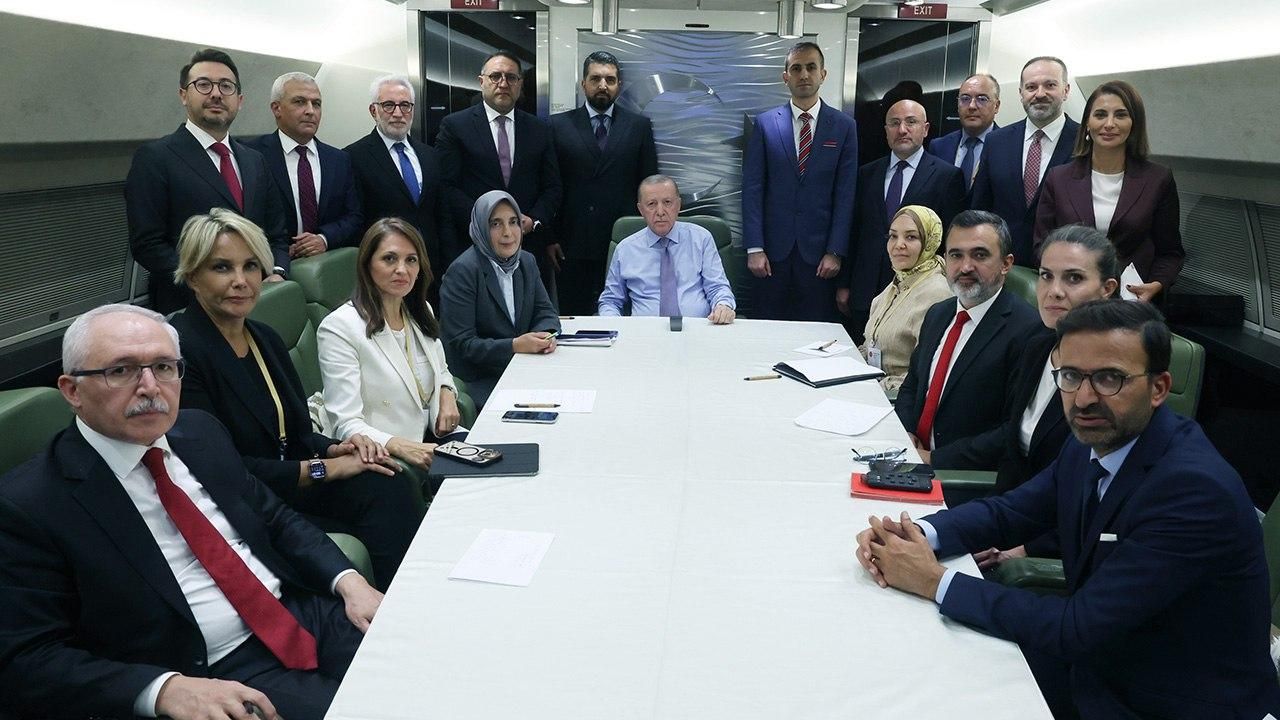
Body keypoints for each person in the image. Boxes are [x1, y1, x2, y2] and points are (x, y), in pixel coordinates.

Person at [856, 299, 1280, 719]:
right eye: (1071, 376)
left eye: (1110, 378)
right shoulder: (1094, 440)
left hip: (1161, 700)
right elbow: (1011, 512)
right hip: (1101, 663)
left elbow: (1077, 627)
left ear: (1159, 388)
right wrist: (913, 534)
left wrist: (932, 581)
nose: (1083, 399)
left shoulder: (1192, 491)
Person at [0, 304, 384, 720]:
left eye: (164, 367)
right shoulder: (28, 504)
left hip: (300, 612)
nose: (150, 387)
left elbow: (275, 517)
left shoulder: (200, 431)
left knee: (422, 662)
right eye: (122, 370)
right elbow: (28, 658)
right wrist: (163, 689)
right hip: (208, 669)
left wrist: (349, 582)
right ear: (72, 390)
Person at [168, 209, 422, 588]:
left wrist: (335, 448)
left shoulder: (265, 338)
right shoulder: (179, 353)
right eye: (222, 268)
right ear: (192, 276)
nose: (241, 281)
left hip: (293, 483)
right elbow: (224, 472)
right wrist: (325, 468)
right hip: (246, 502)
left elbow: (297, 434)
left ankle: (410, 593)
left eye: (250, 266)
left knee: (389, 480)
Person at [973, 224, 1120, 571]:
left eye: (1073, 279)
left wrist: (1024, 550)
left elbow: (1102, 500)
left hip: (1056, 553)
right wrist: (982, 529)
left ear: (1107, 290)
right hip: (1008, 524)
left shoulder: (1111, 378)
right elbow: (1013, 459)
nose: (1054, 291)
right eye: (1046, 276)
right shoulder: (1036, 347)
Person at [126, 48, 289, 313]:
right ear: (183, 95)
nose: (216, 94)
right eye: (203, 85)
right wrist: (207, 280)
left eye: (226, 86)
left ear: (239, 100)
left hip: (256, 300)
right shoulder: (155, 158)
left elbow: (277, 232)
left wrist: (277, 272)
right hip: (189, 306)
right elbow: (148, 244)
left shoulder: (255, 160)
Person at [895, 210, 1046, 470]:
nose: (965, 267)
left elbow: (1012, 430)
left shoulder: (1029, 331)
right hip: (910, 457)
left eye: (980, 255)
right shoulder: (938, 313)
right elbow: (913, 385)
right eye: (956, 255)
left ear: (1006, 264)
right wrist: (906, 432)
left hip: (962, 477)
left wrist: (934, 459)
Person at [317, 218, 463, 472]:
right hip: (382, 452)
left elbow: (441, 370)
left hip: (431, 435)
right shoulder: (339, 327)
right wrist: (402, 446)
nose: (402, 270)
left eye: (411, 260)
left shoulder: (420, 311)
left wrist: (447, 392)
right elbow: (346, 423)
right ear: (367, 265)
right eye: (389, 259)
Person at [1034, 80, 1184, 302]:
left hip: (1130, 301)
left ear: (1134, 123)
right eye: (1100, 115)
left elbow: (1170, 252)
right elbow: (1041, 245)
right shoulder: (1059, 178)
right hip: (1070, 297)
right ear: (1087, 123)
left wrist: (1157, 284)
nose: (1109, 124)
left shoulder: (1158, 179)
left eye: (1120, 115)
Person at [742, 41, 858, 322]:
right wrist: (755, 247)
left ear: (823, 74)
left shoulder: (844, 126)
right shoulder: (765, 124)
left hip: (820, 257)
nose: (804, 74)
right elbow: (753, 188)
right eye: (796, 69)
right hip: (771, 255)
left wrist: (835, 251)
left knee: (815, 332)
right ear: (786, 77)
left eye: (811, 67)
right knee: (768, 329)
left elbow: (845, 194)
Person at [839, 99, 965, 339]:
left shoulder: (947, 176)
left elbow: (949, 241)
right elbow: (854, 231)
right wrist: (844, 284)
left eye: (911, 122)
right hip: (864, 289)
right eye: (894, 123)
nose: (902, 129)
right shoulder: (867, 173)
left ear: (925, 129)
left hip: (916, 295)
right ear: (886, 130)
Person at [435, 52, 562, 283]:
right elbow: (446, 186)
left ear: (520, 84)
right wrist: (485, 221)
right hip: (474, 246)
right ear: (481, 81)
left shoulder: (539, 129)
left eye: (511, 77)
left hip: (527, 246)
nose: (503, 83)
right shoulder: (455, 126)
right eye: (495, 76)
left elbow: (552, 186)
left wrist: (533, 220)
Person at [549, 51, 659, 315]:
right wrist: (549, 238)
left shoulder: (638, 126)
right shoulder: (557, 126)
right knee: (575, 319)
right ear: (583, 83)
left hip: (624, 241)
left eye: (610, 80)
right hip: (571, 243)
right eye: (595, 78)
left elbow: (649, 186)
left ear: (618, 85)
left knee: (625, 319)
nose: (602, 85)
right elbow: (550, 185)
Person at [439, 191, 560, 407]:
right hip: (480, 380)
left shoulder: (526, 261)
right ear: (480, 228)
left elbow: (545, 312)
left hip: (524, 368)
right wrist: (514, 346)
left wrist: (545, 336)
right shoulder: (462, 271)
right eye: (496, 224)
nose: (507, 233)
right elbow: (463, 344)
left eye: (513, 222)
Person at [971, 56, 1079, 268]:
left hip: (1062, 266)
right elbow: (980, 209)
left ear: (1066, 90)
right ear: (1021, 93)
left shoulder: (1085, 143)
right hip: (1000, 264)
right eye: (1031, 87)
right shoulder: (996, 142)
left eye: (1050, 85)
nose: (1040, 94)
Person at [345, 75, 452, 289]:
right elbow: (356, 221)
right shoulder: (353, 157)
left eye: (405, 105)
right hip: (386, 273)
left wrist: (450, 264)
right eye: (388, 105)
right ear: (373, 111)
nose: (397, 113)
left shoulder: (430, 155)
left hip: (430, 269)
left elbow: (442, 215)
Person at [245, 72, 363, 256]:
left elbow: (354, 216)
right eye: (299, 102)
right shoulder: (252, 156)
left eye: (316, 104)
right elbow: (246, 217)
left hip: (325, 262)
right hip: (270, 263)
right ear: (276, 108)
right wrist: (278, 251)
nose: (310, 111)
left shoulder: (339, 159)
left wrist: (324, 239)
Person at [599, 175, 736, 323]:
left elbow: (717, 287)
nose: (660, 211)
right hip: (644, 331)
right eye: (651, 204)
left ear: (678, 205)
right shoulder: (625, 249)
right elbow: (610, 301)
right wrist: (615, 324)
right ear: (641, 209)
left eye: (667, 202)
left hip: (698, 328)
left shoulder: (701, 239)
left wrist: (723, 306)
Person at [858, 205, 953, 392]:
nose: (898, 244)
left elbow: (925, 375)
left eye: (911, 237)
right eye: (893, 236)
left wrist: (869, 389)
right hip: (871, 384)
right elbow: (870, 345)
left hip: (895, 397)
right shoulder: (900, 280)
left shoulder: (937, 293)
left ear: (929, 241)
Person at [927, 73, 1001, 191]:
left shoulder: (1009, 147)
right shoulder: (939, 146)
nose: (972, 106)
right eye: (965, 99)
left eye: (982, 99)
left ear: (996, 106)